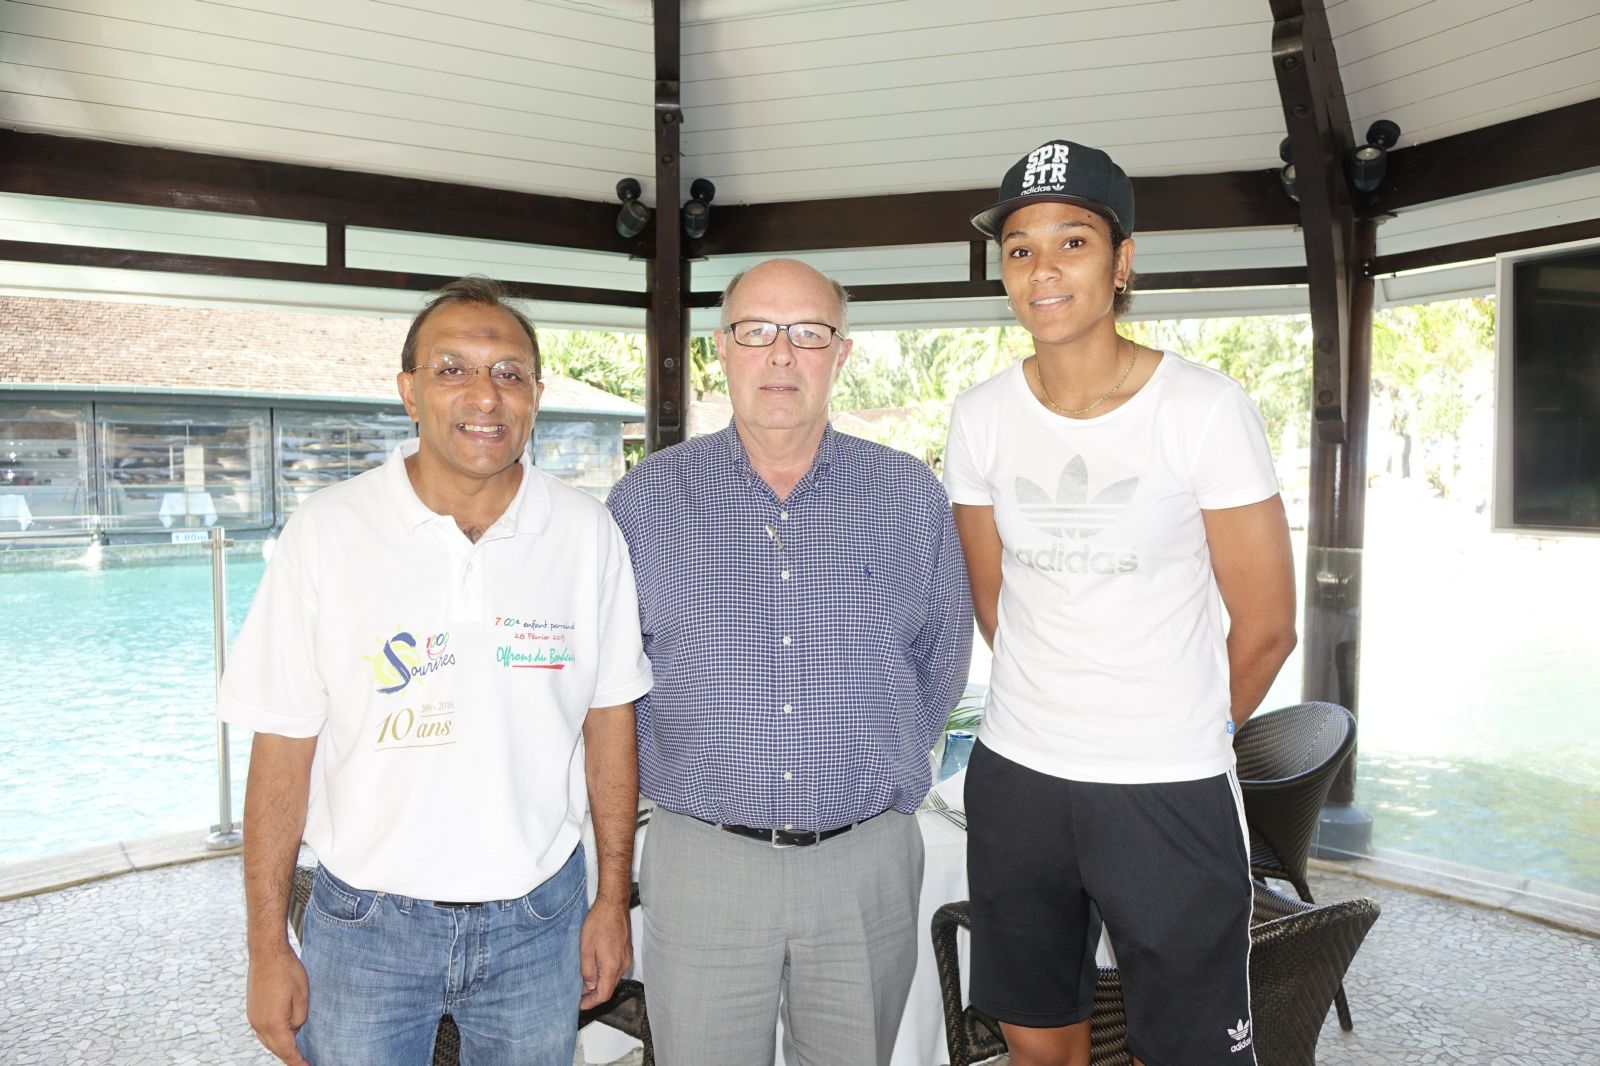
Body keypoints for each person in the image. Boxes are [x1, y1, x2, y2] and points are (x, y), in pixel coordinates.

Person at [220, 277, 652, 1066]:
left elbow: (610, 719)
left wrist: (610, 900)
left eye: (509, 373)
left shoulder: (588, 535)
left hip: (539, 918)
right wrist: (266, 948)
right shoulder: (329, 532)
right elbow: (281, 746)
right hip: (365, 926)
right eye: (453, 368)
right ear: (409, 391)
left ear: (536, 396)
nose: (485, 395)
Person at [944, 140, 1298, 1066]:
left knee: (1188, 1051)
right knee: (1036, 1043)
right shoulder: (979, 416)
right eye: (1020, 249)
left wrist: (1180, 728)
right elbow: (997, 603)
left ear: (1123, 261)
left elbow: (1266, 627)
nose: (1043, 269)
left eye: (1073, 241)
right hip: (1019, 774)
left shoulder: (1205, 410)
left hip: (1166, 782)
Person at [606, 257, 973, 1066]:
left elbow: (944, 655)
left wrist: (889, 779)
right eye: (756, 331)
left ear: (840, 355)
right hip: (702, 861)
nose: (781, 355)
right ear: (721, 349)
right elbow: (613, 679)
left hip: (864, 864)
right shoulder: (645, 501)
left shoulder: (910, 495)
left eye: (808, 334)